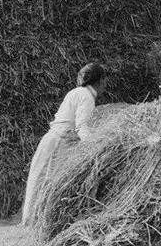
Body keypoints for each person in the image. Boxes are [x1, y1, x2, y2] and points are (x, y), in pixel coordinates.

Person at [21, 62, 107, 227]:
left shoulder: (77, 92)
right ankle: (35, 224)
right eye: (105, 79)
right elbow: (81, 126)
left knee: (41, 178)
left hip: (54, 139)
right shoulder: (86, 96)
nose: (106, 84)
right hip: (59, 142)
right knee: (48, 181)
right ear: (100, 80)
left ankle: (32, 222)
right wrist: (95, 147)